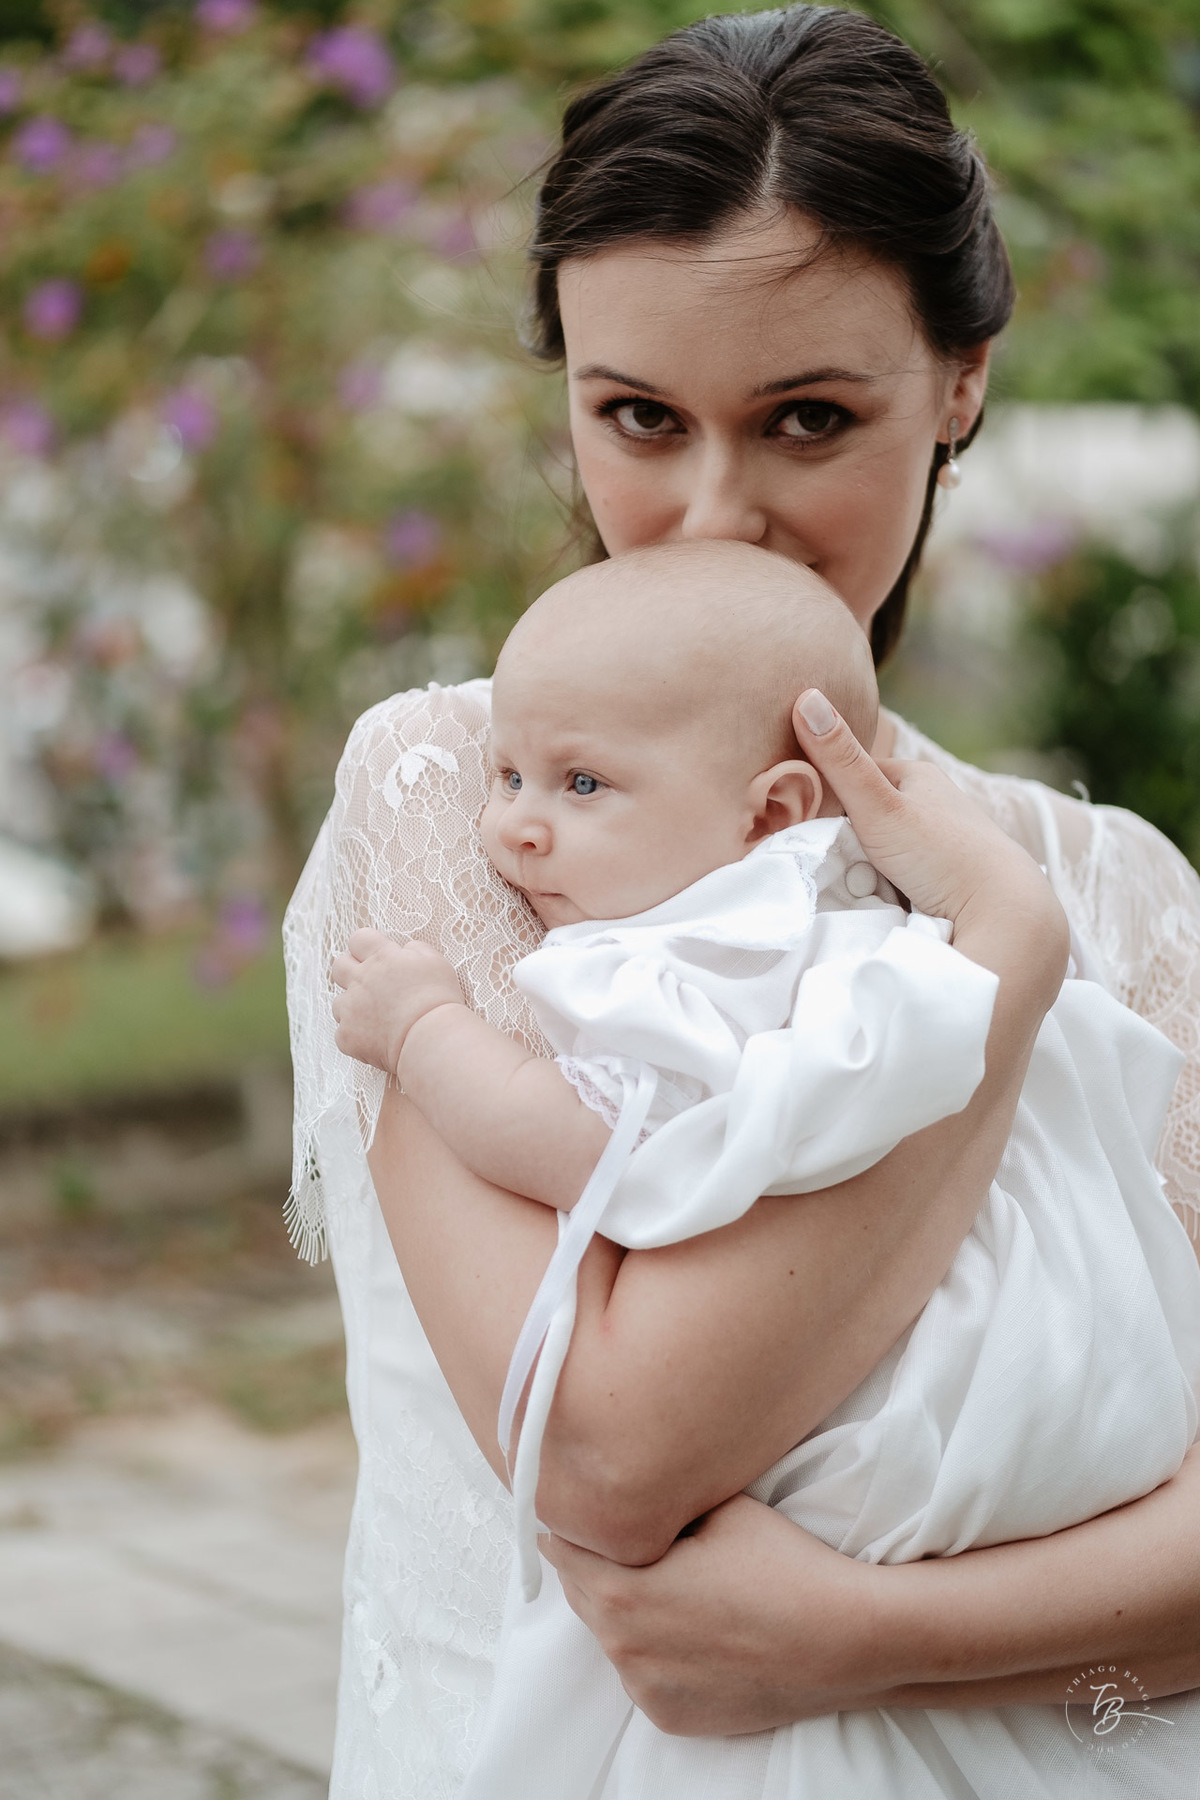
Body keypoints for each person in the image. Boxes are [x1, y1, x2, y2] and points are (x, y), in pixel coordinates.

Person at [282, 9, 1200, 1797]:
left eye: (808, 419)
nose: (714, 514)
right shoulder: (470, 808)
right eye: (638, 415)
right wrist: (996, 990)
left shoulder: (1125, 900)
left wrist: (865, 1647)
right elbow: (612, 1456)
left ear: (965, 382)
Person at [326, 539, 1200, 1795]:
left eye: (579, 784)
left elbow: (609, 1155)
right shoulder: (466, 794)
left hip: (924, 1480)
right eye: (509, 773)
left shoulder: (704, 950)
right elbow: (602, 1461)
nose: (513, 824)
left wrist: (423, 1034)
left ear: (775, 812)